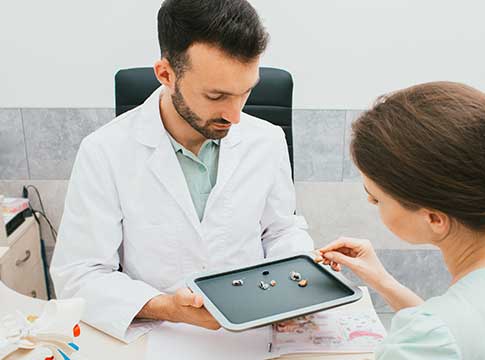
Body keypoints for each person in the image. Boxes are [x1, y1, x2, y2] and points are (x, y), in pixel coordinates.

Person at [50, 0, 313, 342]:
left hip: (252, 334)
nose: (234, 116)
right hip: (159, 335)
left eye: (246, 92)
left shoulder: (267, 140)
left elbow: (279, 232)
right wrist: (167, 307)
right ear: (166, 75)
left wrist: (299, 277)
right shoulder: (104, 152)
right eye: (216, 96)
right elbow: (79, 275)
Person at [318, 81, 485, 359]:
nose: (371, 203)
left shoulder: (427, 340)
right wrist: (383, 281)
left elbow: (444, 337)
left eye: (377, 199)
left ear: (434, 219)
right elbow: (460, 332)